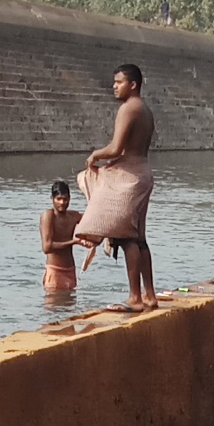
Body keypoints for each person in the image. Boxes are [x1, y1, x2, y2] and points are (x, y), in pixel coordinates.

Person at [74, 63, 157, 308]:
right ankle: (150, 295)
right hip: (142, 173)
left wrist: (95, 155)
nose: (114, 87)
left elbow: (116, 148)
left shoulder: (128, 109)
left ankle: (135, 298)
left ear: (133, 84)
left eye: (119, 82)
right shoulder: (146, 110)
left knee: (127, 237)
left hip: (129, 179)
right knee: (140, 238)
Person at [39, 178, 79, 298]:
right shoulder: (49, 216)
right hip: (55, 272)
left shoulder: (74, 216)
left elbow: (94, 224)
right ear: (52, 199)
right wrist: (75, 242)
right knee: (53, 312)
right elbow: (47, 247)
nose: (62, 203)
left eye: (65, 199)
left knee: (70, 311)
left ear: (69, 198)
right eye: (59, 199)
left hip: (71, 272)